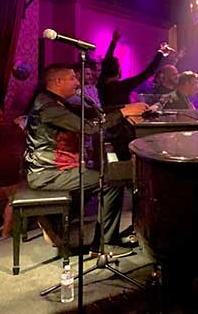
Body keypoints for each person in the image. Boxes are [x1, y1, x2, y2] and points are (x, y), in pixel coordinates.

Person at [23, 63, 148, 251]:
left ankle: (58, 224)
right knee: (110, 180)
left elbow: (91, 113)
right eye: (72, 78)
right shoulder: (48, 108)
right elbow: (88, 127)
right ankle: (105, 243)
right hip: (48, 173)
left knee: (98, 176)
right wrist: (123, 113)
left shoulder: (53, 101)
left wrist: (126, 108)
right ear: (57, 81)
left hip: (54, 169)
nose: (77, 82)